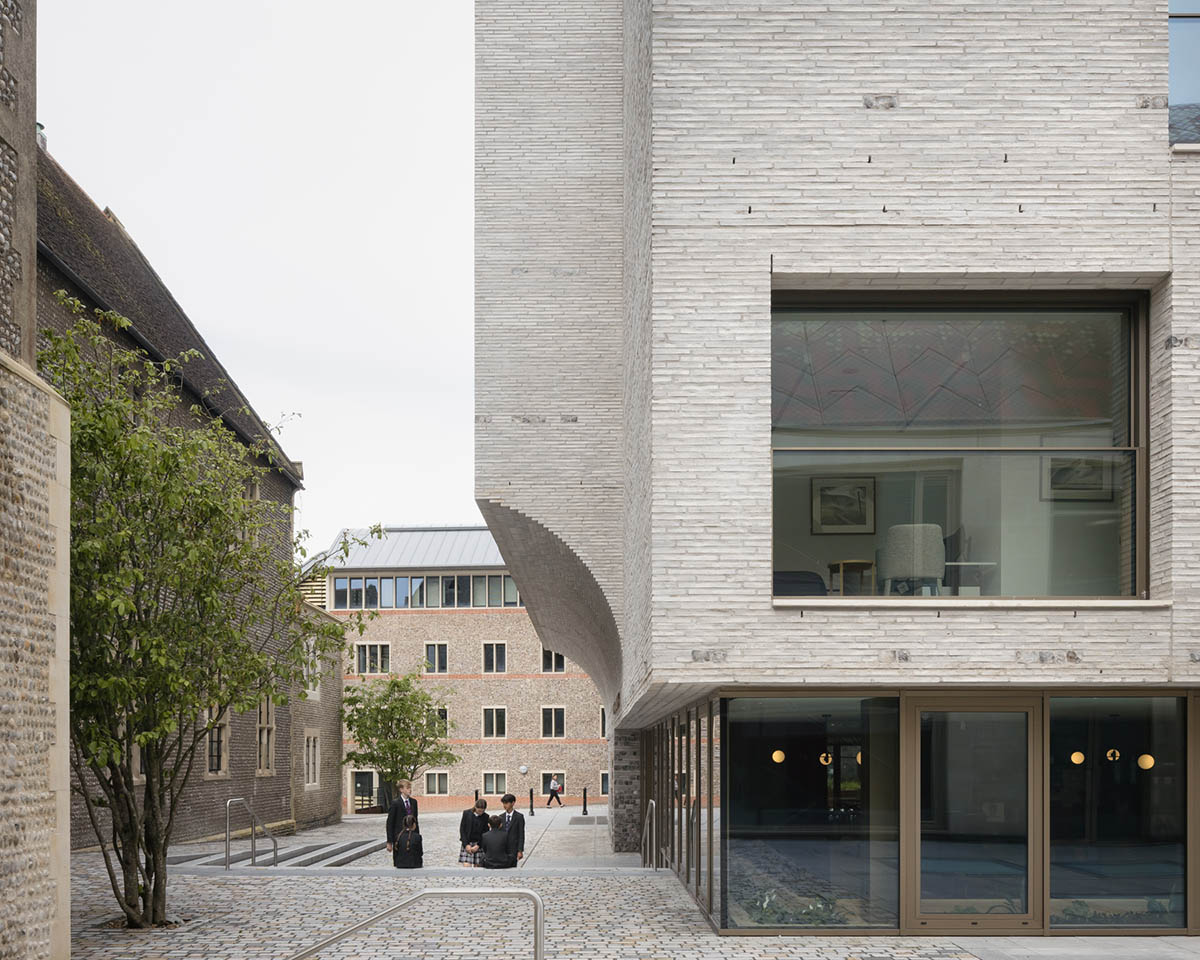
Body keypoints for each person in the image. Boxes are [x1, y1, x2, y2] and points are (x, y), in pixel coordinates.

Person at [385, 780, 419, 847]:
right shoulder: (395, 803)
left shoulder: (414, 802)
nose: (410, 790)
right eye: (407, 788)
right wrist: (389, 841)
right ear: (401, 789)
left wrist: (417, 836)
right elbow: (390, 823)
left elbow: (416, 820)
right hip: (399, 837)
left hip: (412, 836)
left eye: (410, 788)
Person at [458, 798, 489, 867]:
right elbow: (462, 830)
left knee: (478, 867)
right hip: (467, 843)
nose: (480, 813)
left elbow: (485, 833)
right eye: (479, 811)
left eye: (482, 811)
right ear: (475, 807)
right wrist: (466, 845)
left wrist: (478, 846)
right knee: (467, 867)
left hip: (478, 845)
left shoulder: (486, 817)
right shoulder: (466, 813)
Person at [499, 793, 526, 861]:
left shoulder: (519, 817)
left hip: (513, 848)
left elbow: (521, 834)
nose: (504, 805)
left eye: (506, 803)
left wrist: (520, 850)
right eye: (503, 803)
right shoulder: (501, 817)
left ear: (513, 803)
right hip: (502, 848)